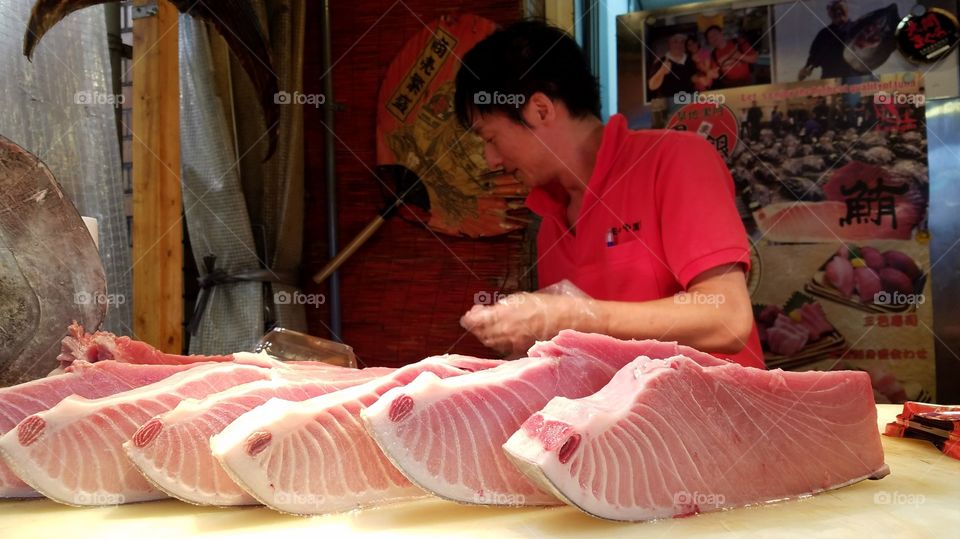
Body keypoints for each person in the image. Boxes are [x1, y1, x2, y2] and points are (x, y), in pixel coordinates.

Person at [453, 20, 765, 369]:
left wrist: (575, 317)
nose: (491, 160)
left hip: (717, 415)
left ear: (540, 109)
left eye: (490, 139)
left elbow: (728, 318)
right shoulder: (550, 224)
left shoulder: (676, 158)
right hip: (627, 421)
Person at [798, 0, 857, 80]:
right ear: (829, 13)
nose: (838, 12)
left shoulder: (859, 28)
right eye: (834, 10)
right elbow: (813, 59)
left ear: (847, 9)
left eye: (840, 8)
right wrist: (804, 71)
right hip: (830, 81)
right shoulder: (823, 34)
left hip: (856, 80)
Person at [647, 33, 697, 99]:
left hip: (690, 100)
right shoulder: (661, 61)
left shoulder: (691, 59)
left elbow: (695, 79)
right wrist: (661, 72)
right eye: (675, 41)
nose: (679, 45)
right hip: (669, 103)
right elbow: (652, 86)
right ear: (669, 44)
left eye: (682, 42)